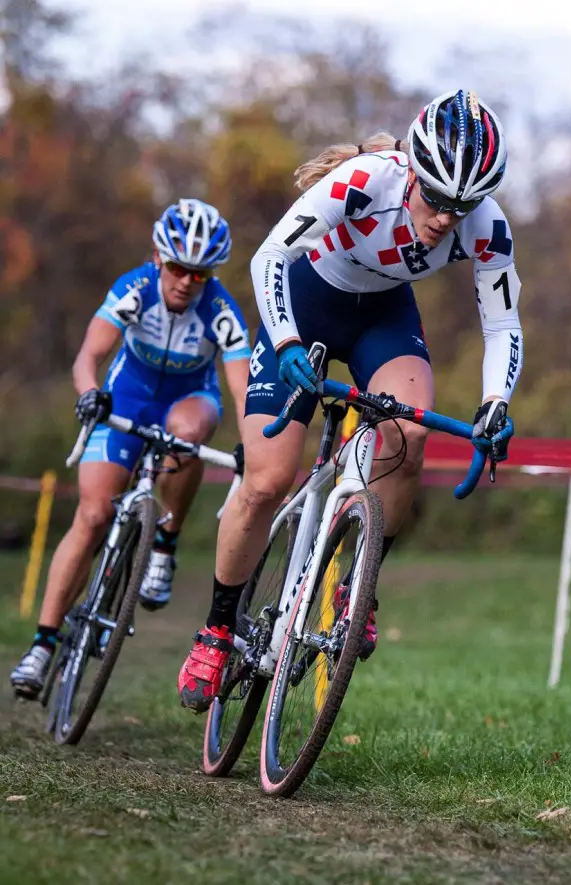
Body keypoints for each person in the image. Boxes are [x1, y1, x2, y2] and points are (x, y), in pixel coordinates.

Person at [177, 89, 523, 713]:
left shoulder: (486, 226)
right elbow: (270, 257)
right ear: (413, 171)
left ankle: (356, 590)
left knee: (408, 438)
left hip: (383, 317)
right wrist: (283, 340)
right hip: (307, 300)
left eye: (462, 204)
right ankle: (218, 628)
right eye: (438, 198)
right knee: (267, 479)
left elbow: (502, 325)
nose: (447, 217)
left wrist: (496, 401)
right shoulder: (364, 182)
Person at [11, 198, 251, 699]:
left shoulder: (221, 310)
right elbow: (89, 355)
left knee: (188, 433)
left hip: (190, 399)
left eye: (201, 274)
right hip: (128, 396)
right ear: (160, 259)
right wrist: (88, 394)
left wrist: (252, 441)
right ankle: (42, 644)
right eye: (179, 268)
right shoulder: (135, 288)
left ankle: (165, 540)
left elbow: (240, 385)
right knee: (94, 514)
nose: (188, 281)